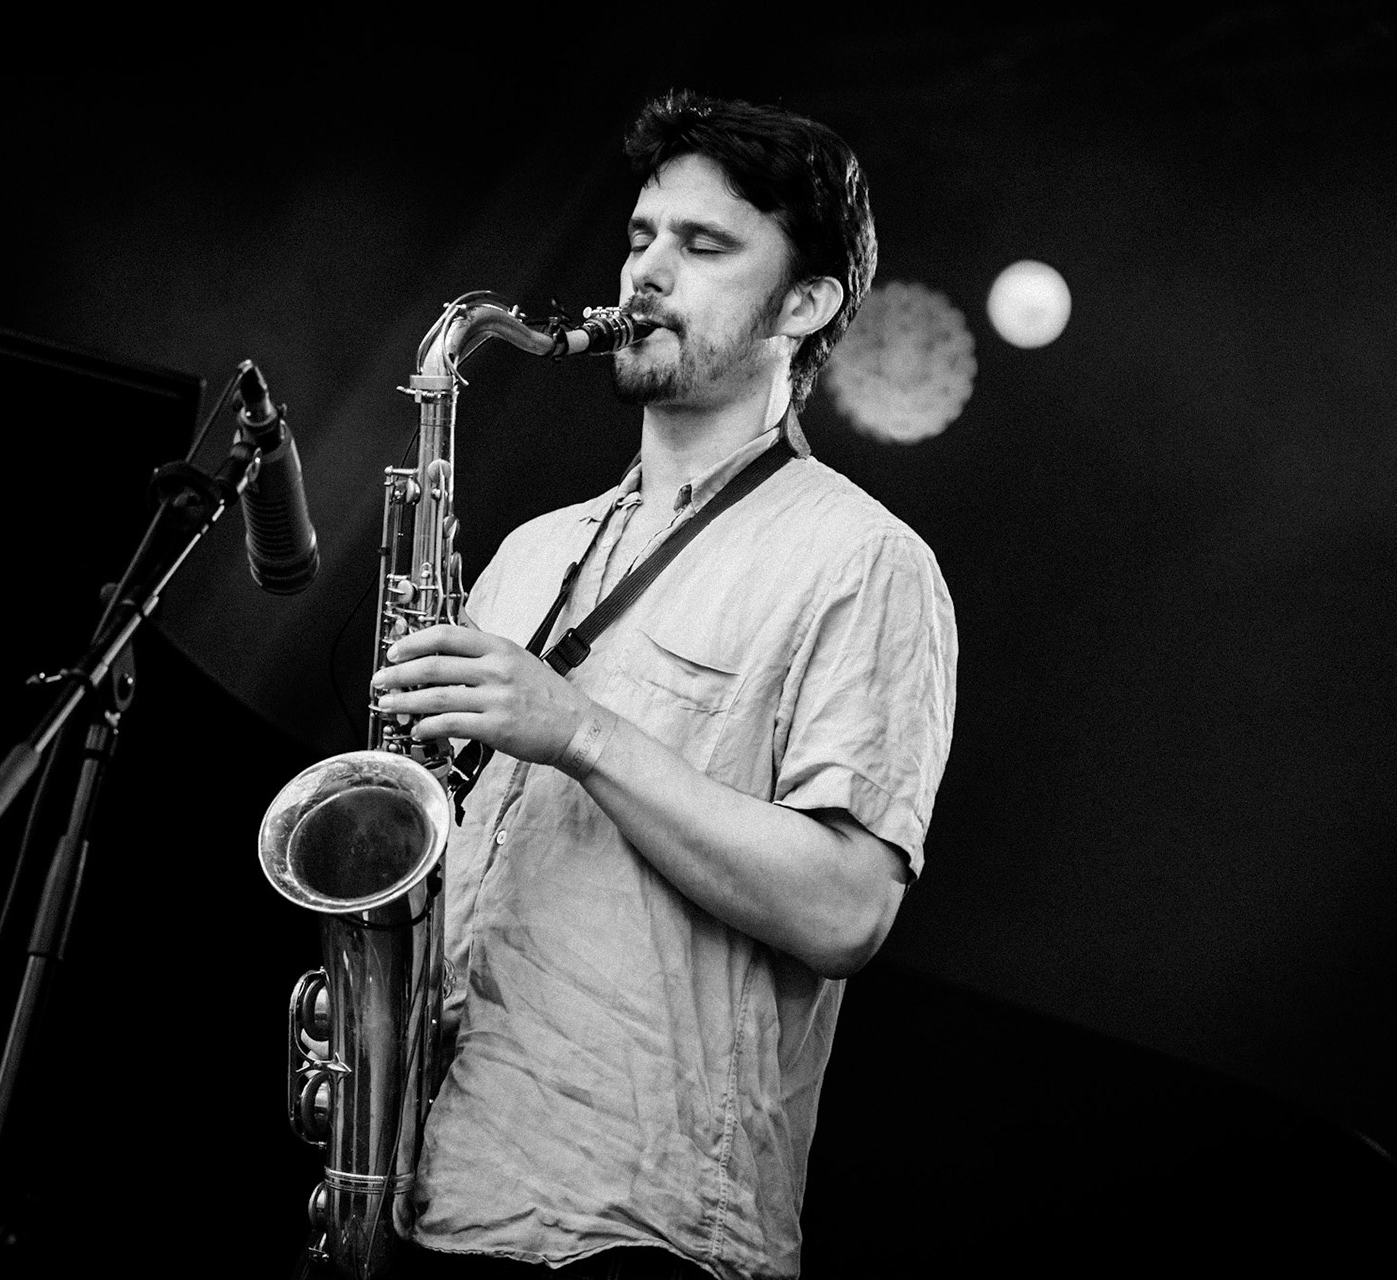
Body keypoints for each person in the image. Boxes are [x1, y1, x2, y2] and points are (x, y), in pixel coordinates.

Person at [370, 89, 957, 1280]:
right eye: (641, 237)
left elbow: (848, 907)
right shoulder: (533, 551)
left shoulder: (864, 558)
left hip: (639, 1232)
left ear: (807, 302)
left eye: (702, 246)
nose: (645, 272)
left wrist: (578, 730)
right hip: (427, 1191)